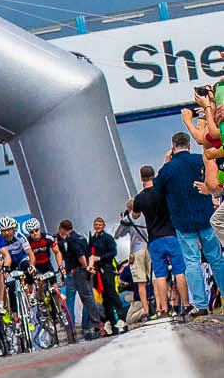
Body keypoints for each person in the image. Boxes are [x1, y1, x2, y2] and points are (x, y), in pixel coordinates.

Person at [154, 129, 221, 315]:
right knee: (216, 259)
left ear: (173, 148)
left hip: (183, 222)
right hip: (206, 217)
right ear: (189, 146)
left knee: (192, 262)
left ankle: (200, 304)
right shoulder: (200, 159)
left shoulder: (168, 169)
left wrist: (166, 163)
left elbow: (157, 190)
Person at [130, 164, 183, 315]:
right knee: (179, 270)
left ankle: (164, 308)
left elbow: (134, 216)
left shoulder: (139, 198)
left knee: (160, 274)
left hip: (154, 238)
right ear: (154, 176)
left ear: (141, 178)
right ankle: (183, 304)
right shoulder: (163, 192)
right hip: (171, 234)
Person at [54, 219, 101, 339]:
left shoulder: (70, 240)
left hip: (76, 271)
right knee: (88, 297)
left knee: (74, 300)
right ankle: (88, 326)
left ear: (62, 230)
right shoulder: (81, 238)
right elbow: (89, 255)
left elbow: (80, 255)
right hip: (85, 270)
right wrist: (90, 267)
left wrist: (85, 267)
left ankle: (72, 330)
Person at [88, 216, 127, 334]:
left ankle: (121, 319)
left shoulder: (108, 238)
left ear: (103, 226)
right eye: (96, 225)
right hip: (98, 271)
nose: (98, 227)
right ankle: (110, 321)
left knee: (112, 293)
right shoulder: (92, 239)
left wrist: (100, 258)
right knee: (104, 297)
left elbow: (113, 252)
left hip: (107, 268)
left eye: (100, 224)